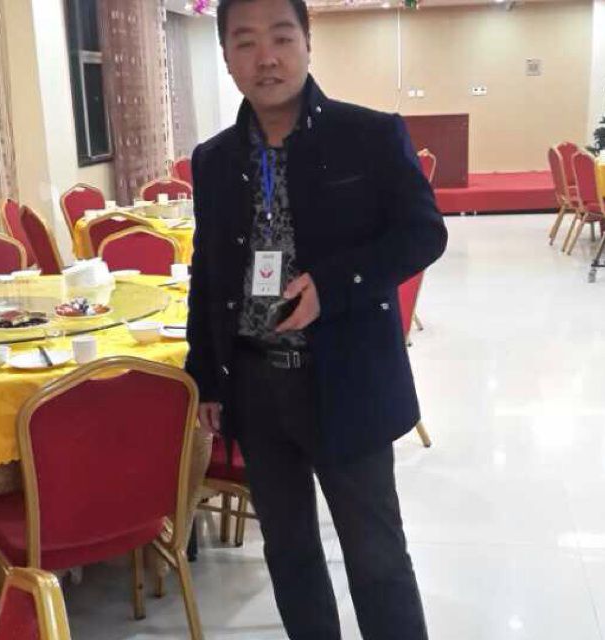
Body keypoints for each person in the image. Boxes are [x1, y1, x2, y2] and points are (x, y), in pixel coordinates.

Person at [186, 0, 448, 636]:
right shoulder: (214, 160)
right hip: (255, 385)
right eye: (245, 42)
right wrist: (207, 375)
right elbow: (207, 270)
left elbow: (424, 234)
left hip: (347, 378)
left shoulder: (369, 136)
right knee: (289, 553)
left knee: (377, 557)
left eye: (281, 37)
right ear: (226, 57)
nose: (266, 58)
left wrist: (333, 286)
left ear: (308, 40)